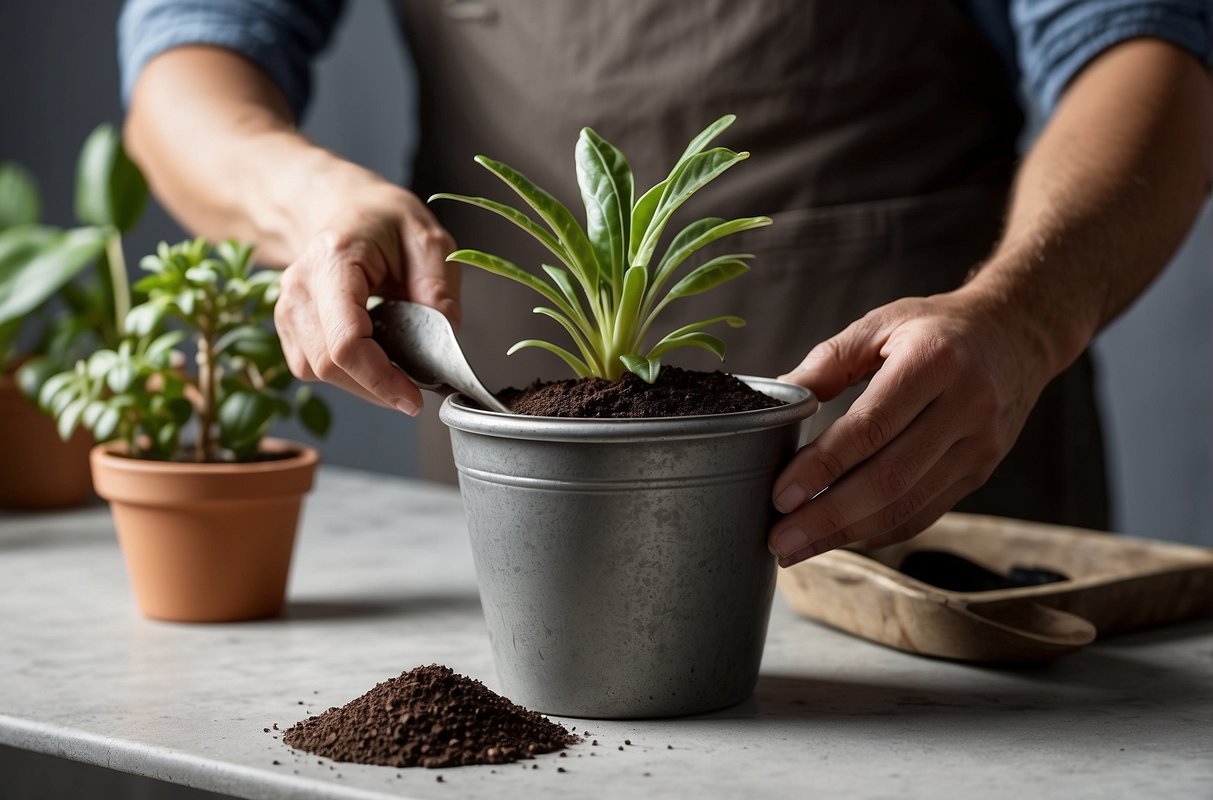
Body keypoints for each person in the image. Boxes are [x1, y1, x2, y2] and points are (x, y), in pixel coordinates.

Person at [118, 0, 1212, 566]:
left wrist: (1020, 313)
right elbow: (186, 55)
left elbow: (1144, 46)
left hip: (924, 483)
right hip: (523, 501)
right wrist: (307, 199)